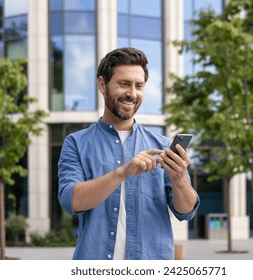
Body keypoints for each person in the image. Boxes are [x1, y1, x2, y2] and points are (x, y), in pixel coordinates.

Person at [58, 47, 200, 260]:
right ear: (102, 85)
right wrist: (123, 172)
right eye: (124, 84)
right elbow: (71, 201)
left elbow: (186, 211)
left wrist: (180, 179)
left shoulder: (161, 146)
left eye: (139, 86)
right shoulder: (76, 143)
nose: (132, 94)